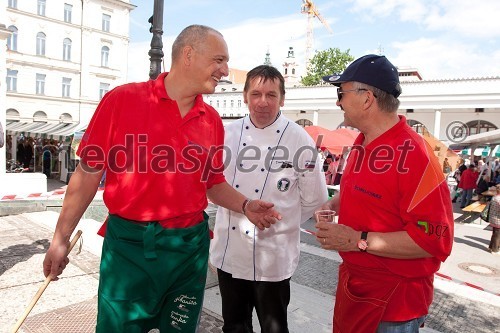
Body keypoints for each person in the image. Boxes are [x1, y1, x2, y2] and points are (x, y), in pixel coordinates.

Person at [42, 25, 282, 333]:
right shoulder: (121, 100)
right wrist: (60, 240)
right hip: (128, 251)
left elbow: (213, 183)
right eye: (219, 60)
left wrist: (245, 205)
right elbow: (87, 176)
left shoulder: (211, 121)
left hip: (187, 253)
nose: (225, 70)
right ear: (188, 55)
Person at [316, 54, 454, 332]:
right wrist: (332, 204)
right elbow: (357, 191)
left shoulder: (416, 155)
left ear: (367, 98)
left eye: (341, 92)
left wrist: (358, 240)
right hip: (357, 289)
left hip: (394, 306)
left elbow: (435, 241)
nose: (338, 101)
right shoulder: (361, 142)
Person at [210, 65, 328, 333]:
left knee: (274, 328)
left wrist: (281, 222)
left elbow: (315, 197)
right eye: (256, 94)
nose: (263, 102)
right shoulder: (226, 134)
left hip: (273, 254)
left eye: (271, 95)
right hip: (231, 251)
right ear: (244, 96)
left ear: (282, 99)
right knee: (234, 326)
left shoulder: (300, 139)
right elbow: (214, 185)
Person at [487, 185, 500, 254]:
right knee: (497, 235)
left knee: (494, 234)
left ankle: (491, 247)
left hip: (493, 218)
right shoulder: (499, 199)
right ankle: (495, 250)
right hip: (498, 219)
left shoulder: (494, 197)